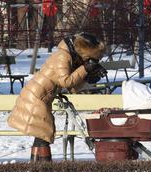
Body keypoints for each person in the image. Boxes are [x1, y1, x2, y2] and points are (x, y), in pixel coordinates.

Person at [7, 32, 107, 162]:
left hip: (40, 97)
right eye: (91, 59)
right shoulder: (63, 56)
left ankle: (38, 166)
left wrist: (88, 77)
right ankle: (44, 166)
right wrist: (85, 69)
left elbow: (73, 87)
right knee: (44, 132)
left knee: (42, 134)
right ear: (85, 53)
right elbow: (65, 81)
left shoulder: (70, 56)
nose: (90, 62)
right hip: (36, 97)